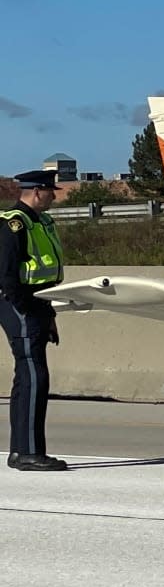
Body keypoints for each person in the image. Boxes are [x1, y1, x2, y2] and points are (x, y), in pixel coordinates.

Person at [0, 170, 67, 471]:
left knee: (27, 377)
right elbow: (7, 274)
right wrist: (27, 309)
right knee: (34, 376)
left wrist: (48, 314)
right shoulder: (14, 223)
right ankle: (29, 452)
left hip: (38, 305)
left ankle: (20, 450)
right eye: (51, 190)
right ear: (37, 191)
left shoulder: (43, 222)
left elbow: (47, 273)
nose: (55, 195)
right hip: (21, 305)